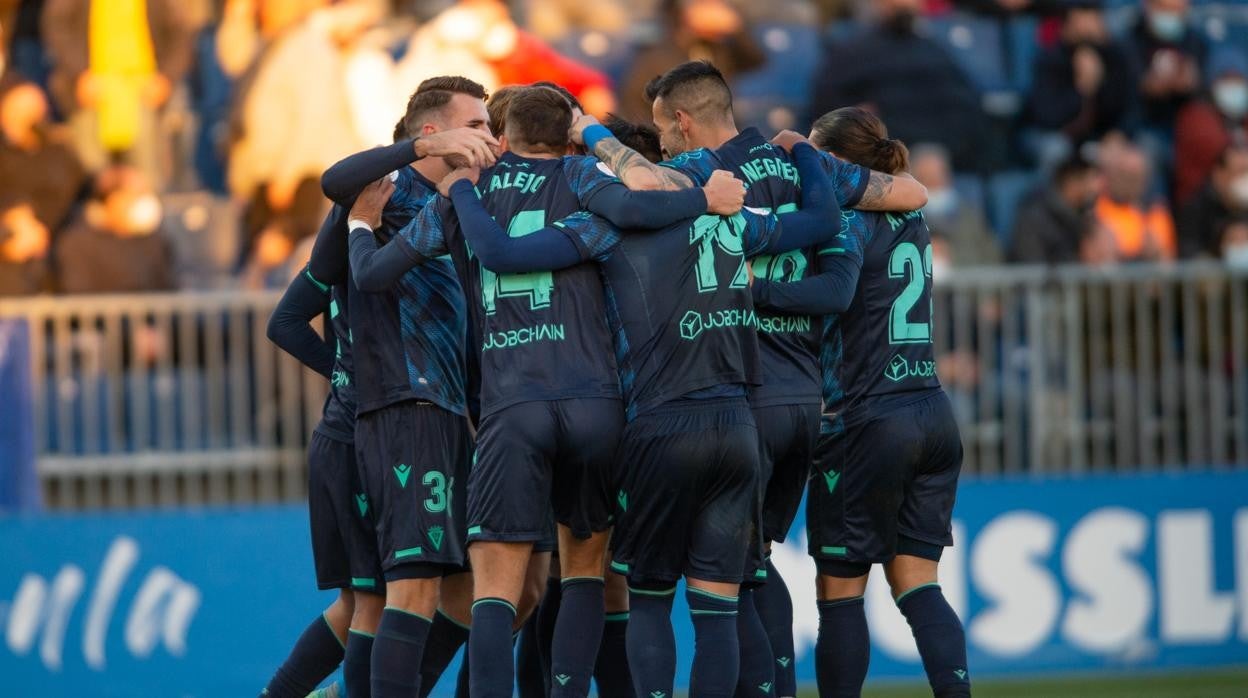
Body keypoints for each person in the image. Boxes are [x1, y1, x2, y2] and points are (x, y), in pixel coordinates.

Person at [341, 85, 744, 698]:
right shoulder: (586, 180)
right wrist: (703, 199)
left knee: (497, 594)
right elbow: (640, 209)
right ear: (569, 136)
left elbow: (372, 276)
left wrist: (361, 227)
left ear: (503, 139)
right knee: (586, 575)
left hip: (514, 406)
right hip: (596, 403)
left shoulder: (459, 195)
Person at [455, 114, 844, 698]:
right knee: (722, 607)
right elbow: (819, 221)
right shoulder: (729, 222)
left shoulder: (606, 228)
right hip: (739, 424)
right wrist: (807, 156)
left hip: (661, 425)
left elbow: (506, 254)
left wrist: (466, 187)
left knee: (650, 601)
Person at [577, 59, 927, 698]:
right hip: (804, 404)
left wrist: (587, 134)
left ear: (681, 121)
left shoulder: (689, 179)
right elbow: (912, 194)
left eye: (664, 128)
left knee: (714, 585)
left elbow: (631, 187)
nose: (663, 141)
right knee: (752, 571)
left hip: (738, 392)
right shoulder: (791, 161)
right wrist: (810, 160)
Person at [758, 106, 970, 698]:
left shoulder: (844, 221)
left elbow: (835, 292)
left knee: (840, 593)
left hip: (866, 419)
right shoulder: (911, 217)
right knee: (918, 586)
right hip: (930, 410)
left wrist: (754, 291)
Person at [318, 76, 500, 698]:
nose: (488, 136)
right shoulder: (385, 195)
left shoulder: (459, 206)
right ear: (434, 134)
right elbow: (334, 180)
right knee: (410, 590)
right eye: (475, 125)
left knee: (462, 589)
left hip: (445, 412)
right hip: (406, 407)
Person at [261, 207, 385, 698]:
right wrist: (342, 374)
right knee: (375, 597)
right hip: (355, 438)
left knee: (362, 601)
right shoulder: (360, 238)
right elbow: (285, 322)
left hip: (351, 435)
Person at [805, 0, 986, 171]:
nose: (901, 3)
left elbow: (964, 106)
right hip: (876, 151)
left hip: (935, 146)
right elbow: (828, 105)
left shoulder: (936, 52)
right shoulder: (853, 52)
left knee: (932, 163)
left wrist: (939, 146)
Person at [41, 0, 195, 186]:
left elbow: (180, 33)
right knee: (93, 176)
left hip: (143, 91)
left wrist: (166, 78)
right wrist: (79, 73)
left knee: (146, 176)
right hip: (91, 92)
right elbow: (57, 26)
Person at [1023, 1, 1135, 169]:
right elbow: (1046, 117)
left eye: (1095, 16)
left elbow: (1127, 107)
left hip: (1100, 137)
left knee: (1136, 156)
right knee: (1054, 150)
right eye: (1084, 14)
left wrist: (1118, 134)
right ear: (1068, 21)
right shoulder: (1050, 59)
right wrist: (1081, 89)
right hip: (1055, 135)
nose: (1091, 25)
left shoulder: (1114, 57)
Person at [0, 77, 85, 295]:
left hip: (57, 241)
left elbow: (81, 191)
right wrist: (13, 222)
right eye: (22, 108)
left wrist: (39, 228)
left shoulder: (60, 154)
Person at [619, 0, 764, 122]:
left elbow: (756, 59)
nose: (718, 13)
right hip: (677, 144)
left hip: (722, 139)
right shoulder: (657, 56)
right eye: (709, 7)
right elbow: (633, 103)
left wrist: (736, 28)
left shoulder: (720, 49)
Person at [54, 164, 175, 294]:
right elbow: (78, 295)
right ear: (110, 201)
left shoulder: (154, 239)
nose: (140, 203)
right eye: (131, 196)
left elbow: (170, 284)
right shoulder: (77, 242)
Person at [1173, 47, 1248, 206]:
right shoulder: (1195, 114)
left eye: (1239, 80)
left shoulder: (1241, 117)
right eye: (1227, 80)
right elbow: (1221, 154)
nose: (1234, 86)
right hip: (1200, 205)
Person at [910, 143, 1000, 267]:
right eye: (927, 179)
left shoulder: (969, 217)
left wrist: (951, 255)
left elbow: (992, 258)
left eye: (938, 177)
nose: (934, 184)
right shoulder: (900, 221)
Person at [1125, 0, 1206, 136]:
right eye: (1165, 9)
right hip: (1140, 126)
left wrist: (1192, 84)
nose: (1171, 16)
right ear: (1148, 6)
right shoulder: (1129, 41)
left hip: (1185, 127)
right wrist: (1147, 86)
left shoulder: (1196, 43)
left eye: (1176, 10)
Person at [1008, 155, 1102, 265]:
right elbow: (1032, 269)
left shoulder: (1086, 217)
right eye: (1090, 180)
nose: (1096, 188)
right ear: (1071, 181)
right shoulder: (1033, 219)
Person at [1093, 139, 1175, 262]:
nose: (1130, 184)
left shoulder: (1155, 213)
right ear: (1110, 175)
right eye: (1125, 175)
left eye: (1136, 177)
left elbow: (1168, 264)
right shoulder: (1095, 210)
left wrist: (1156, 254)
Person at [1177, 146, 1248, 259]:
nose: (1245, 180)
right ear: (1218, 174)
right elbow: (1189, 254)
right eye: (1240, 172)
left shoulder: (1244, 208)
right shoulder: (1196, 208)